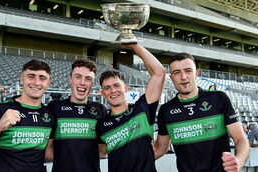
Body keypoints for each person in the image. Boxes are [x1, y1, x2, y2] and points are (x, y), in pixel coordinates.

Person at [154, 53, 249, 172]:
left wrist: (238, 161)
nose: (183, 77)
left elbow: (240, 139)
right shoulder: (165, 110)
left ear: (196, 74)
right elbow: (160, 149)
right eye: (177, 72)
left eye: (188, 70)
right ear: (171, 77)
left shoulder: (219, 98)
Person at [0, 59, 54, 172]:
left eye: (42, 78)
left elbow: (48, 153)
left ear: (48, 83)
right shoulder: (0, 108)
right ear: (22, 79)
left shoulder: (50, 114)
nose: (36, 82)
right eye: (31, 76)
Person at [96, 43, 166, 172]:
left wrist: (135, 46)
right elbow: (101, 152)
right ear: (102, 93)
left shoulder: (142, 109)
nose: (113, 91)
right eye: (107, 88)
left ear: (125, 88)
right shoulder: (101, 124)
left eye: (117, 85)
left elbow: (159, 73)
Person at [46, 59, 107, 172]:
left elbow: (102, 152)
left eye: (88, 79)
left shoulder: (100, 109)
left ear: (92, 84)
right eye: (78, 76)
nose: (82, 83)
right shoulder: (54, 107)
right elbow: (47, 151)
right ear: (70, 79)